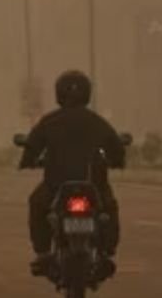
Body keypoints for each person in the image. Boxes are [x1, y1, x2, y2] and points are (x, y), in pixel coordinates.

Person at [18, 70, 126, 275]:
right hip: (94, 183)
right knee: (108, 208)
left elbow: (32, 146)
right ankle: (108, 250)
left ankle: (42, 252)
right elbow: (116, 148)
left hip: (56, 185)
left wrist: (27, 162)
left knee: (37, 204)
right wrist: (117, 162)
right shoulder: (97, 121)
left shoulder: (49, 121)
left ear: (59, 94)